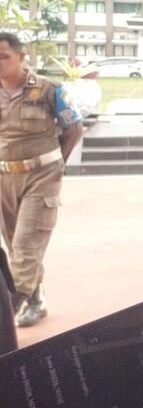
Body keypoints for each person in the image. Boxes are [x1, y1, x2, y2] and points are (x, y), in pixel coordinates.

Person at [0, 32, 83, 327]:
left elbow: (74, 130)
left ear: (21, 57)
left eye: (3, 57)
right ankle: (36, 300)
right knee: (16, 246)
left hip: (42, 176)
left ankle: (9, 309)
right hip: (5, 178)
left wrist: (55, 165)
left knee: (26, 243)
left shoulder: (49, 89)